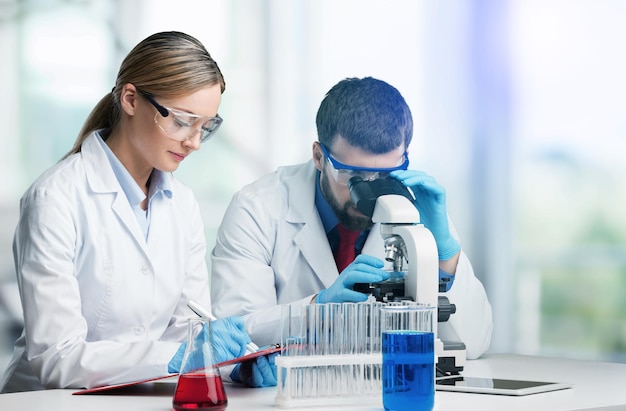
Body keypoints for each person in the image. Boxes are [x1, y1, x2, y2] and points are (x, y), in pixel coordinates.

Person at [1, 31, 275, 393]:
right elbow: (57, 357)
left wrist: (229, 364)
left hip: (138, 399)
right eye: (181, 120)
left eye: (205, 127)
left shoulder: (183, 204)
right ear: (131, 99)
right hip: (48, 401)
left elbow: (186, 328)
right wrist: (180, 357)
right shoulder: (56, 197)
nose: (193, 142)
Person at [211, 76, 493, 360]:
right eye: (353, 176)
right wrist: (317, 307)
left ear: (405, 157)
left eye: (384, 176)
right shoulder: (258, 208)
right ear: (319, 157)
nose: (369, 191)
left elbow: (473, 342)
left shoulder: (418, 211)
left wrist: (445, 254)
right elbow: (232, 337)